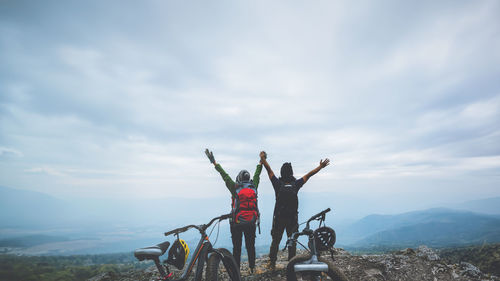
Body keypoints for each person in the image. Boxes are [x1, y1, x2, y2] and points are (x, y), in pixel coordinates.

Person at [259, 151, 330, 269]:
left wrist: (262, 159)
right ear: (291, 173)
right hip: (292, 219)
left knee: (275, 241)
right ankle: (292, 263)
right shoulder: (296, 184)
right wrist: (320, 167)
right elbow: (309, 174)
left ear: (282, 172)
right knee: (292, 241)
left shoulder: (277, 184)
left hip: (279, 218)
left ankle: (272, 263)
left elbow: (269, 170)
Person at [205, 149, 262, 273]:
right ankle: (252, 268)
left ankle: (236, 272)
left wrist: (214, 162)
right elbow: (257, 174)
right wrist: (261, 162)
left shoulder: (234, 187)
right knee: (250, 246)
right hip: (251, 222)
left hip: (236, 223)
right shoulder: (254, 186)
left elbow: (224, 175)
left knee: (237, 248)